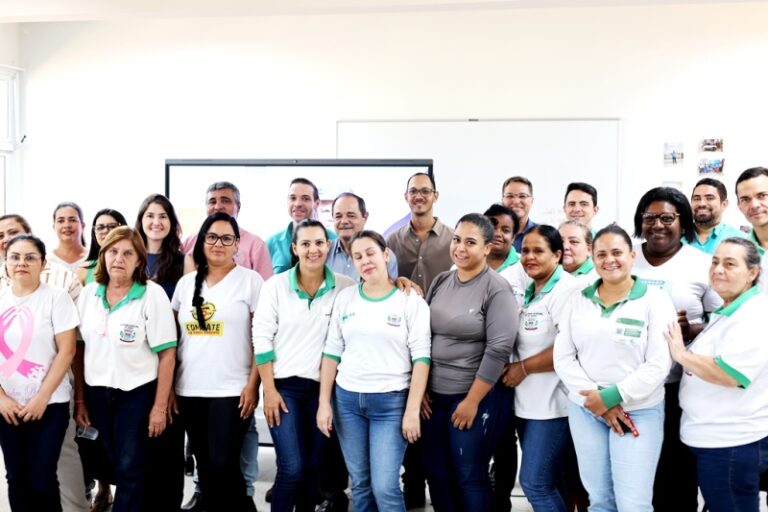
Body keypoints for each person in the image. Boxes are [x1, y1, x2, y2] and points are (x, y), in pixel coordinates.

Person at [554, 225, 675, 511]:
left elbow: (659, 363)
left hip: (639, 411)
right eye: (601, 254)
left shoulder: (655, 300)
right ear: (593, 258)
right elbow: (564, 358)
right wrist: (597, 399)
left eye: (617, 252)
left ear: (632, 256)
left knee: (633, 504)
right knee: (599, 500)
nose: (609, 260)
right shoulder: (577, 299)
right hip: (586, 410)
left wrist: (609, 397)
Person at [317, 230, 431, 511]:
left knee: (385, 487)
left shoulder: (410, 300)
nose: (365, 261)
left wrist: (412, 410)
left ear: (385, 254)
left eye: (371, 253)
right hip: (347, 403)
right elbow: (332, 352)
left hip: (391, 403)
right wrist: (324, 403)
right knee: (361, 484)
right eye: (358, 257)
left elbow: (421, 358)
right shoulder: (345, 298)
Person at [180, 181, 271, 511]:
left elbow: (262, 338)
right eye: (212, 237)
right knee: (205, 466)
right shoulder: (185, 284)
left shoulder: (251, 281)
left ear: (237, 244)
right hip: (190, 389)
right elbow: (177, 340)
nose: (218, 244)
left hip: (232, 390)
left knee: (223, 463)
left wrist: (253, 385)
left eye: (226, 238)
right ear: (201, 241)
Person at [253, 219, 355, 512]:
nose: (313, 250)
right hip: (283, 389)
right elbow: (261, 339)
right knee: (292, 467)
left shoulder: (345, 287)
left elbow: (373, 296)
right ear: (294, 248)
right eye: (306, 244)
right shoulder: (275, 286)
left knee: (313, 467)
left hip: (324, 391)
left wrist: (402, 283)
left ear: (329, 245)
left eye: (319, 243)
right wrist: (269, 391)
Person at [73, 227, 177, 512]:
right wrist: (80, 399)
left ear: (139, 260)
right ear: (103, 256)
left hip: (136, 395)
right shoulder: (89, 294)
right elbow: (78, 350)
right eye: (113, 251)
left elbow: (167, 353)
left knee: (130, 466)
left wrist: (159, 407)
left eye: (128, 253)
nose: (119, 258)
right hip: (97, 393)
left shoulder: (151, 294)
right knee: (111, 461)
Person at [631, 186, 721, 512]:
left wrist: (692, 329)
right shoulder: (625, 258)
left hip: (681, 386)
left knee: (677, 472)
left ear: (683, 223)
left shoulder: (702, 264)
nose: (658, 225)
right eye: (650, 217)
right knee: (636, 474)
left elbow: (724, 319)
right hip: (631, 386)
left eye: (667, 218)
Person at [421, 213, 517, 511]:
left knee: (469, 475)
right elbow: (421, 336)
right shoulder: (441, 280)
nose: (460, 248)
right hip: (434, 398)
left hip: (474, 397)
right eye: (457, 240)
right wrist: (420, 389)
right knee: (437, 473)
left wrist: (472, 401)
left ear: (487, 247)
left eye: (471, 242)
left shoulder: (497, 288)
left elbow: (499, 349)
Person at [665, 237, 768, 512]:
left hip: (730, 443)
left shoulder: (754, 315)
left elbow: (730, 374)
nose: (718, 269)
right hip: (714, 439)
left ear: (752, 273)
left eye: (730, 264)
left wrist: (681, 354)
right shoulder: (728, 310)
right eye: (715, 262)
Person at [0, 214, 89, 512]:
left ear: (43, 263)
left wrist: (41, 398)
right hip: (8, 406)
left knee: (42, 478)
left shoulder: (56, 298)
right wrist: (1, 398)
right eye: (15, 257)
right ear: (6, 262)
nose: (21, 263)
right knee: (16, 478)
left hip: (49, 404)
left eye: (30, 257)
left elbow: (67, 351)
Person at [386, 172, 453, 506]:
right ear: (406, 196)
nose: (419, 196)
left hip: (443, 335)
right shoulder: (391, 240)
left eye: (425, 191)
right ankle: (412, 485)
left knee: (434, 413)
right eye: (413, 191)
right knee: (409, 410)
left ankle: (440, 486)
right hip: (402, 338)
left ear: (435, 196)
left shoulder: (453, 239)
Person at [503, 225, 578, 511]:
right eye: (525, 251)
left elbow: (568, 346)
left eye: (538, 251)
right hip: (528, 404)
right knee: (552, 481)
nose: (529, 257)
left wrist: (522, 368)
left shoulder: (567, 290)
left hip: (554, 406)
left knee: (534, 482)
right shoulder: (531, 289)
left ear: (557, 255)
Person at [133, 194, 187, 511]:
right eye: (150, 215)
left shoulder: (183, 262)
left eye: (163, 216)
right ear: (140, 220)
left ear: (171, 223)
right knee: (138, 447)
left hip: (170, 361)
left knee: (167, 444)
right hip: (134, 365)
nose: (156, 222)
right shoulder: (128, 258)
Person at [482, 204, 525, 512]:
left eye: (506, 229)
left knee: (504, 439)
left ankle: (501, 500)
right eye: (492, 226)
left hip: (509, 372)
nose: (498, 233)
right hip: (472, 370)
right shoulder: (465, 263)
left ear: (515, 235)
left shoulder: (523, 270)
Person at [182, 181, 273, 280]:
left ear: (238, 207)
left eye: (225, 201)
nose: (217, 207)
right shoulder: (189, 243)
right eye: (212, 202)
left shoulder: (256, 245)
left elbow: (265, 286)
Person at [267, 178, 336, 275]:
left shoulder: (334, 240)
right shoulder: (271, 243)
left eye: (305, 198)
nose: (298, 204)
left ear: (317, 203)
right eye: (293, 198)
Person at [327, 192, 398, 280]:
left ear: (365, 217)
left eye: (351, 215)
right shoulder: (324, 253)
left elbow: (389, 286)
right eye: (338, 216)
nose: (344, 221)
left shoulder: (384, 255)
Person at [687, 177, 745, 254]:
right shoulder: (677, 237)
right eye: (697, 199)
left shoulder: (742, 240)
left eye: (709, 198)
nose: (701, 204)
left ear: (724, 204)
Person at [735, 166, 768, 293]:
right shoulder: (740, 253)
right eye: (745, 199)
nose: (754, 205)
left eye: (762, 196)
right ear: (739, 206)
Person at [78, 208, 128, 285]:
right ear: (94, 233)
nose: (106, 231)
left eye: (112, 226)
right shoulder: (84, 270)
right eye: (100, 227)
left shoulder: (134, 264)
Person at [48, 202, 88, 273]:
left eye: (72, 220)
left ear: (82, 226)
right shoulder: (46, 262)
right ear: (54, 227)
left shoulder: (94, 259)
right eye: (61, 221)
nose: (66, 225)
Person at [501, 176, 537, 252]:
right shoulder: (491, 234)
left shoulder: (542, 235)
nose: (516, 201)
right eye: (510, 196)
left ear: (532, 201)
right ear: (502, 201)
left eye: (522, 196)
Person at [559, 220, 597, 286]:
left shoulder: (598, 278)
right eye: (560, 241)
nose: (565, 247)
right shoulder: (547, 273)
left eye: (574, 241)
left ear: (589, 250)